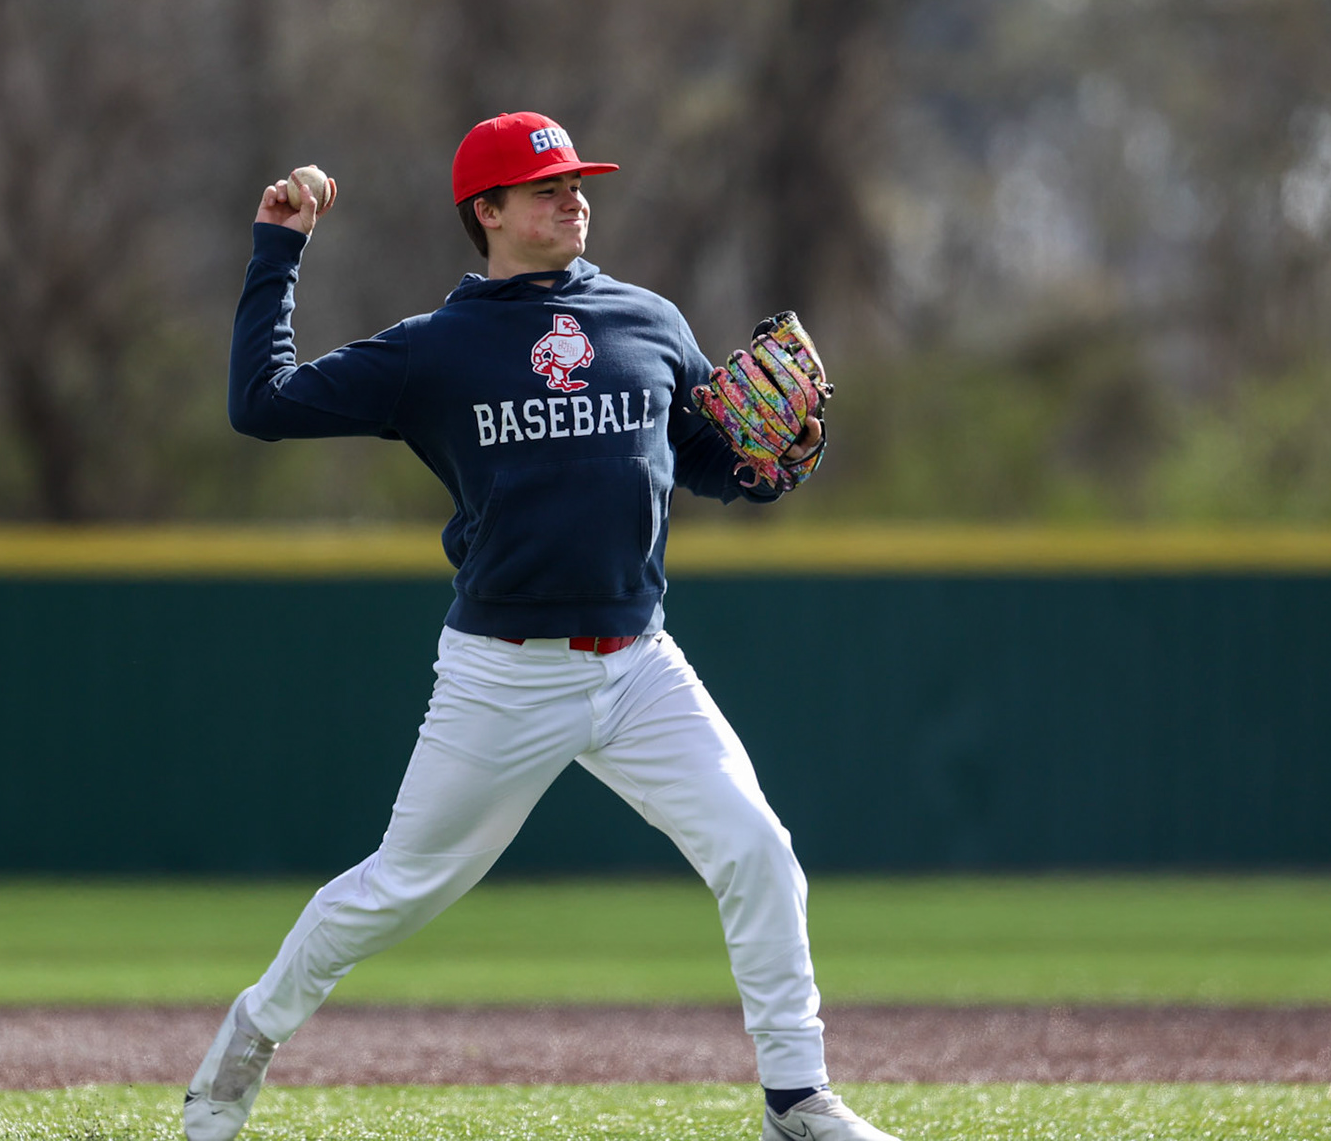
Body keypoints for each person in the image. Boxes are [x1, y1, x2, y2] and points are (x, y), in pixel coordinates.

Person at [189, 111, 900, 1141]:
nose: (574, 199)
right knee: (395, 889)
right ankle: (244, 1044)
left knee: (758, 848)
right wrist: (279, 250)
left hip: (640, 661)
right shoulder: (435, 351)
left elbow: (698, 455)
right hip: (503, 673)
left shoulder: (647, 319)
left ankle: (797, 1096)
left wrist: (757, 466)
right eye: (547, 188)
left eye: (576, 183)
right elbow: (261, 402)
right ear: (488, 212)